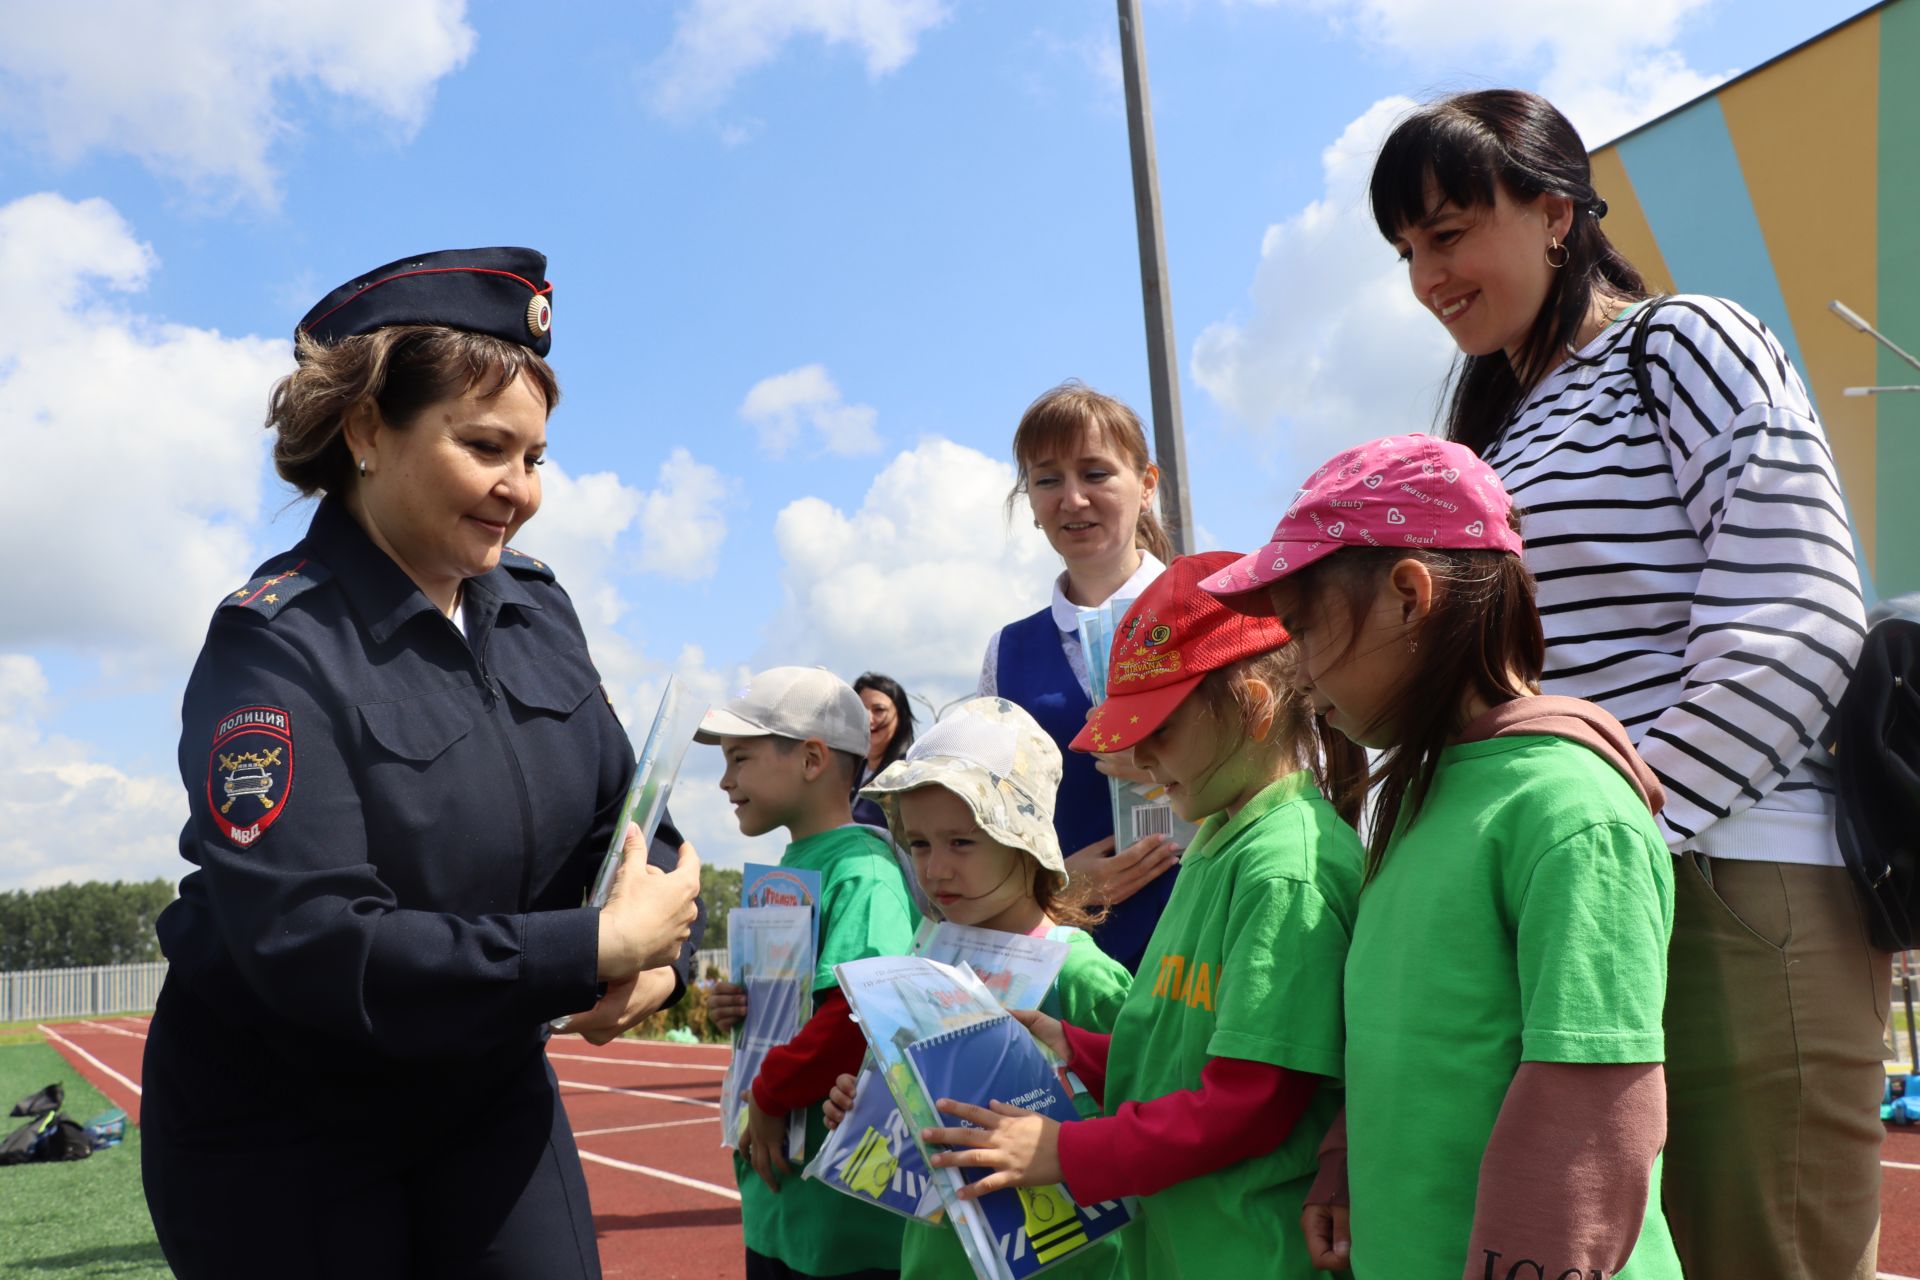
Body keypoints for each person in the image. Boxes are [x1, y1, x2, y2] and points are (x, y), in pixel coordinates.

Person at [1369, 89, 1880, 1277]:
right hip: (1587, 902)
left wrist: (1623, 838)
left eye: (1448, 233)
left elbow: (1800, 617)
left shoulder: (1684, 341)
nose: (1426, 277)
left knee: (1765, 1255)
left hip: (1730, 881)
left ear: (1556, 213)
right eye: (1406, 252)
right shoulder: (1498, 431)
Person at [140, 247, 706, 1280]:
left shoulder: (536, 605)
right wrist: (582, 949)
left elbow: (622, 822)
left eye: (536, 456)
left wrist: (658, 949)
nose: (521, 490)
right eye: (486, 446)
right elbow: (313, 941)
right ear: (365, 429)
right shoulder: (274, 644)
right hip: (284, 1128)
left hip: (486, 1092)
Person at [1200, 434, 1680, 1277]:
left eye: (1307, 631)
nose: (1302, 675)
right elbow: (1397, 1031)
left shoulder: (1569, 811)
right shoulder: (1423, 800)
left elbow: (1590, 1106)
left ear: (1410, 596)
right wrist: (1346, 1163)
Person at [921, 552, 1365, 1280]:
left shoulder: (1284, 866)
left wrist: (1065, 1154)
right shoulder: (1219, 837)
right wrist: (1073, 1046)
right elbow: (1180, 1048)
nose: (1142, 757)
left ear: (1253, 706)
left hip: (1249, 1250)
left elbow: (1250, 1104)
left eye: (1159, 729)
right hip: (1190, 1241)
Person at [822, 695, 1134, 1280]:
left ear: (1023, 840)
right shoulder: (920, 965)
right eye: (918, 843)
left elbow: (1145, 1132)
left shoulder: (1081, 977)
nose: (935, 868)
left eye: (962, 841)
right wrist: (866, 1110)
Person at [697, 667, 920, 1280]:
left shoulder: (865, 872)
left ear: (813, 759)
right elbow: (803, 1003)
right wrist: (744, 1006)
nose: (724, 780)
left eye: (739, 758)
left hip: (840, 1217)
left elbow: (858, 1013)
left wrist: (768, 1093)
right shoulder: (795, 865)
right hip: (785, 1200)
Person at [977, 382, 1181, 972]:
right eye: (1047, 480)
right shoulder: (1007, 652)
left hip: (1203, 940)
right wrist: (1052, 890)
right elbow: (992, 824)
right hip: (1066, 958)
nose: (1072, 499)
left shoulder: (1211, 613)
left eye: (1095, 474)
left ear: (1146, 486)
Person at [850, 672, 915, 828]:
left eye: (878, 710)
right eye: (861, 710)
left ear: (900, 717)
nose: (868, 719)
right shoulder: (848, 770)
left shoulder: (907, 773)